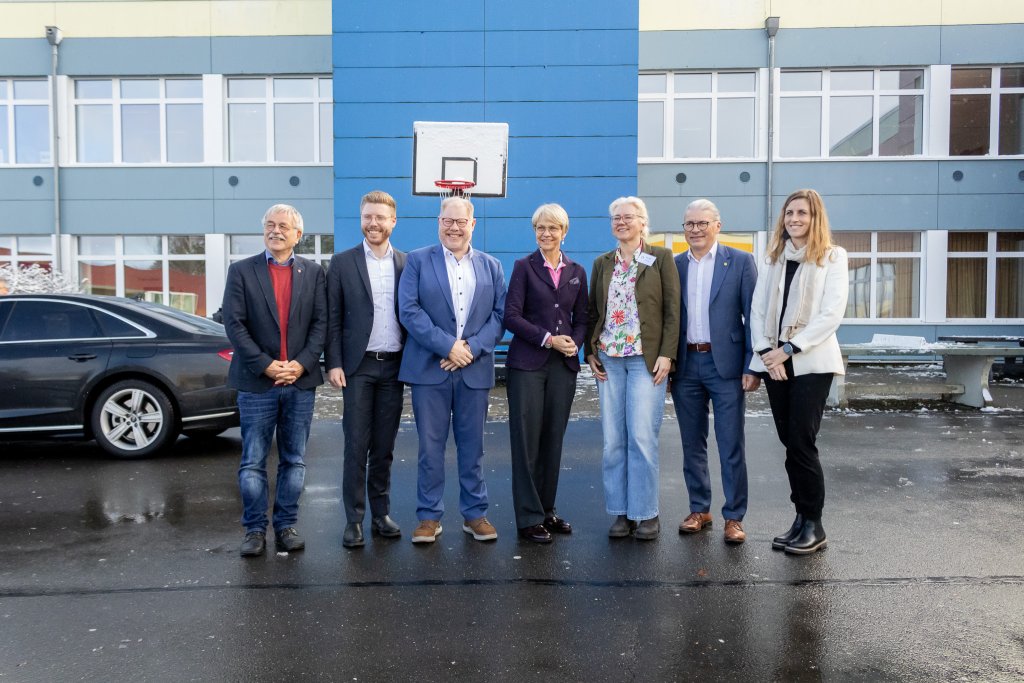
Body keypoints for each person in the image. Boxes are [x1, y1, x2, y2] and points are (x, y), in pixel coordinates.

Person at [398, 196, 506, 544]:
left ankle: (475, 514)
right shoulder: (417, 261)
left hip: (473, 370)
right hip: (430, 368)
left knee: (472, 447)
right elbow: (409, 310)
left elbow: (499, 316)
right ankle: (429, 516)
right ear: (439, 222)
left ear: (472, 225)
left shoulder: (491, 266)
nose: (454, 227)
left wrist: (470, 349)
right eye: (447, 221)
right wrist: (448, 346)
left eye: (461, 222)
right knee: (430, 448)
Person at [222, 203, 327, 557]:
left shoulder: (314, 273)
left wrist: (301, 364)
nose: (275, 230)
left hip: (300, 381)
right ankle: (254, 530)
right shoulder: (241, 272)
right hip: (257, 382)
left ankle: (285, 525)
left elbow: (321, 324)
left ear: (298, 234)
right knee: (252, 460)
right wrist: (266, 365)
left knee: (294, 459)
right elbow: (234, 324)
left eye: (283, 225)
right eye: (270, 224)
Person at [749, 189, 848, 555]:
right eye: (789, 213)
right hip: (775, 362)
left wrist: (787, 350)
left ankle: (814, 523)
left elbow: (831, 314)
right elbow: (758, 310)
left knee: (802, 443)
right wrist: (765, 353)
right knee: (789, 444)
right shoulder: (774, 258)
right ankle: (800, 518)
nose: (794, 219)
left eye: (802, 213)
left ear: (815, 217)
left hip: (809, 362)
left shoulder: (832, 257)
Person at [585, 196, 680, 540]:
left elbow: (672, 310)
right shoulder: (602, 263)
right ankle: (621, 513)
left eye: (628, 217)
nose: (621, 222)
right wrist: (589, 350)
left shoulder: (661, 258)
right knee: (613, 441)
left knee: (641, 437)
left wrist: (668, 355)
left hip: (646, 360)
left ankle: (647, 513)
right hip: (609, 358)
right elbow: (593, 311)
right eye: (616, 218)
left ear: (643, 221)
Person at [670, 199, 759, 545]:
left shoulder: (739, 261)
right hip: (687, 364)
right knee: (692, 443)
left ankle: (734, 516)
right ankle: (699, 508)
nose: (695, 229)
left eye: (702, 223)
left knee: (730, 443)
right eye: (689, 224)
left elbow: (754, 316)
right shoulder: (674, 265)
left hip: (727, 366)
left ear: (717, 225)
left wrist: (752, 365)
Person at [326, 190, 406, 548]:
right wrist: (334, 363)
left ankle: (381, 513)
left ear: (393, 221)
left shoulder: (406, 263)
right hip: (357, 368)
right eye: (368, 217)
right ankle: (354, 519)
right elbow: (331, 318)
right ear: (362, 219)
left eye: (380, 217)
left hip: (394, 368)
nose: (374, 223)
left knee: (384, 446)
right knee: (356, 446)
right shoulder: (342, 263)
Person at [504, 203, 588, 544]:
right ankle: (528, 517)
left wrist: (573, 343)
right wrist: (548, 339)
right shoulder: (523, 267)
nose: (546, 234)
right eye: (540, 228)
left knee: (553, 439)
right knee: (527, 443)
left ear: (564, 232)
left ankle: (546, 510)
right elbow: (510, 316)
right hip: (527, 364)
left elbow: (583, 318)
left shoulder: (577, 271)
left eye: (553, 228)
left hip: (562, 367)